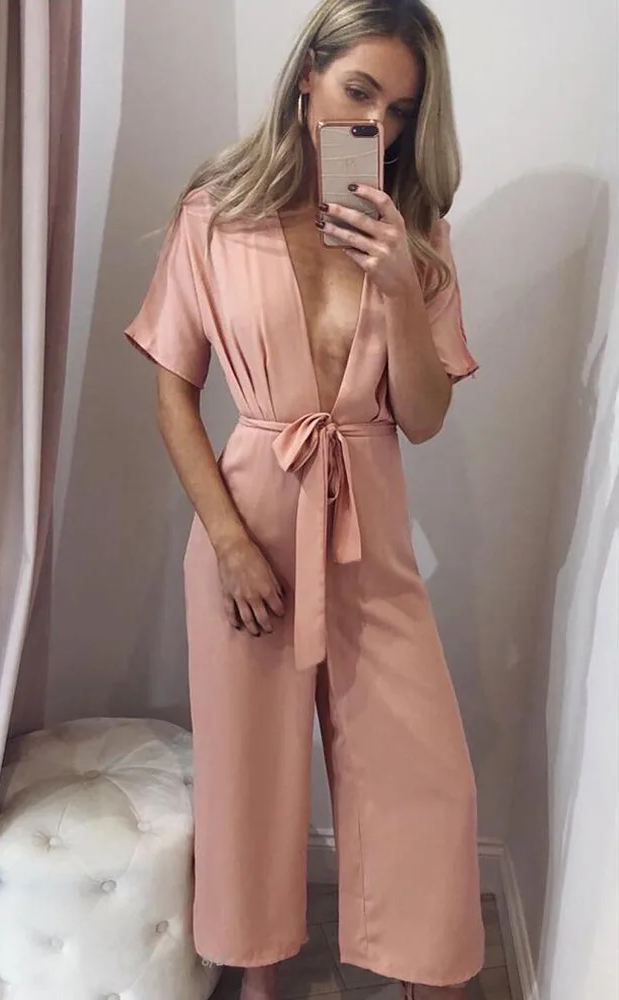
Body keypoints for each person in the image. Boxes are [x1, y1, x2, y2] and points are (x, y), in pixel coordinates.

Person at [126, 1, 484, 997]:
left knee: (427, 778)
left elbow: (422, 418)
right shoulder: (216, 212)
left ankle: (425, 974)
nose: (375, 125)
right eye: (357, 91)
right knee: (249, 782)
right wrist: (230, 545)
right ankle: (259, 984)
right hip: (248, 527)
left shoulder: (417, 234)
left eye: (399, 110)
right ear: (304, 81)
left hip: (370, 535)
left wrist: (399, 286)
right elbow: (172, 391)